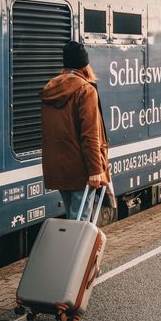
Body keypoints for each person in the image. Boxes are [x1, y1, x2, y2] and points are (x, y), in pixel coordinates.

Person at [40, 41, 110, 220]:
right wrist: (95, 170)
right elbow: (90, 135)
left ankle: (72, 249)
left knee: (73, 218)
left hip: (59, 168)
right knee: (81, 222)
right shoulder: (85, 90)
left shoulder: (51, 88)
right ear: (85, 65)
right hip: (82, 170)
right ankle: (80, 249)